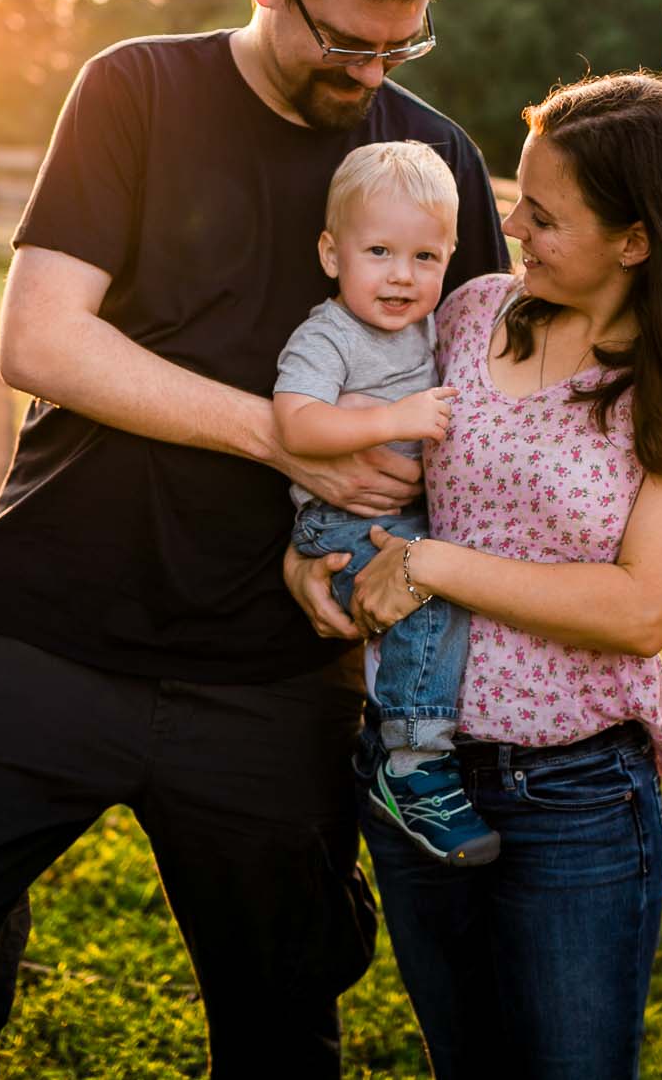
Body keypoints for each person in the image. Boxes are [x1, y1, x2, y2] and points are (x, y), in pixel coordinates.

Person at [0, 0, 510, 1078]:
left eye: (398, 46)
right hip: (45, 625)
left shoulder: (436, 169)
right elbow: (41, 339)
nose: (367, 75)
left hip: (271, 677)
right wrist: (286, 443)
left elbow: (480, 415)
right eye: (342, 41)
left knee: (280, 1001)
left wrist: (392, 550)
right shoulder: (135, 91)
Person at [288, 71, 662, 1079]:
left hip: (571, 795)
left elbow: (640, 610)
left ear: (634, 240)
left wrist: (431, 567)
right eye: (519, 197)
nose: (511, 225)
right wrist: (309, 546)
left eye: (544, 216)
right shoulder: (470, 313)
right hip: (412, 769)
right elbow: (371, 460)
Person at [274, 140, 498, 867]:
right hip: (338, 522)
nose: (402, 275)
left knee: (444, 580)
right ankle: (411, 763)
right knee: (426, 592)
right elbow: (296, 422)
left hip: (398, 516)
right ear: (332, 253)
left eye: (425, 257)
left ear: (451, 254)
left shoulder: (429, 327)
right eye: (378, 251)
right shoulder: (329, 335)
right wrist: (394, 420)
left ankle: (424, 735)